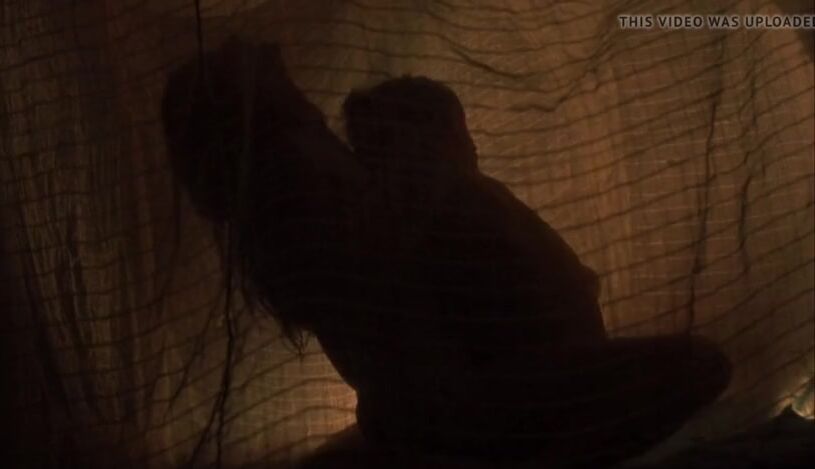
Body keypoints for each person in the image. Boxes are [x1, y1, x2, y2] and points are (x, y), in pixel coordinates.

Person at [162, 38, 731, 467]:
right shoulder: (308, 188)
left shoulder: (308, 198)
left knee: (694, 367)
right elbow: (425, 352)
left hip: (442, 412)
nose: (328, 132)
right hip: (471, 416)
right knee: (700, 364)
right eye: (299, 111)